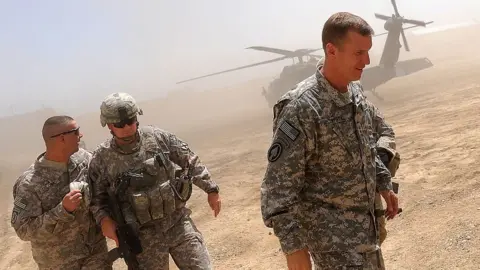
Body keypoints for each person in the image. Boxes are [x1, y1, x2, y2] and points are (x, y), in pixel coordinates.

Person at [260, 12, 400, 270]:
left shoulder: (354, 92)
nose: (367, 61)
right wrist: (295, 249)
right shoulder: (301, 108)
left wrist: (383, 182)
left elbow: (369, 142)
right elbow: (277, 189)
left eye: (368, 52)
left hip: (366, 233)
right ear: (331, 50)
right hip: (333, 246)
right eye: (359, 53)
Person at [88, 92, 221, 270]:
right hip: (143, 236)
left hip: (177, 223)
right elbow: (97, 198)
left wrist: (211, 189)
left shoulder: (157, 137)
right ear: (109, 125)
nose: (127, 127)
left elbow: (189, 160)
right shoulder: (102, 158)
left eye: (131, 120)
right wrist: (104, 219)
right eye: (120, 124)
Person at [10, 115, 111, 270]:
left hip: (95, 257)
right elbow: (23, 230)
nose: (81, 135)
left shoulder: (84, 160)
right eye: (76, 132)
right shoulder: (29, 183)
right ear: (62, 139)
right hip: (59, 263)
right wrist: (62, 211)